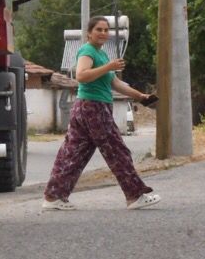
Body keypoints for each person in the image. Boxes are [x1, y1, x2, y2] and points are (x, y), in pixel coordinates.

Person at [41, 16, 161, 211]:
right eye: (99, 29)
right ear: (89, 33)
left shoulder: (102, 54)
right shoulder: (87, 51)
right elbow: (81, 75)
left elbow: (115, 83)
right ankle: (135, 195)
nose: (103, 33)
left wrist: (141, 96)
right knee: (116, 150)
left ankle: (54, 196)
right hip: (93, 108)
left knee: (74, 153)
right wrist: (109, 67)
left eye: (106, 30)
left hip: (87, 108)